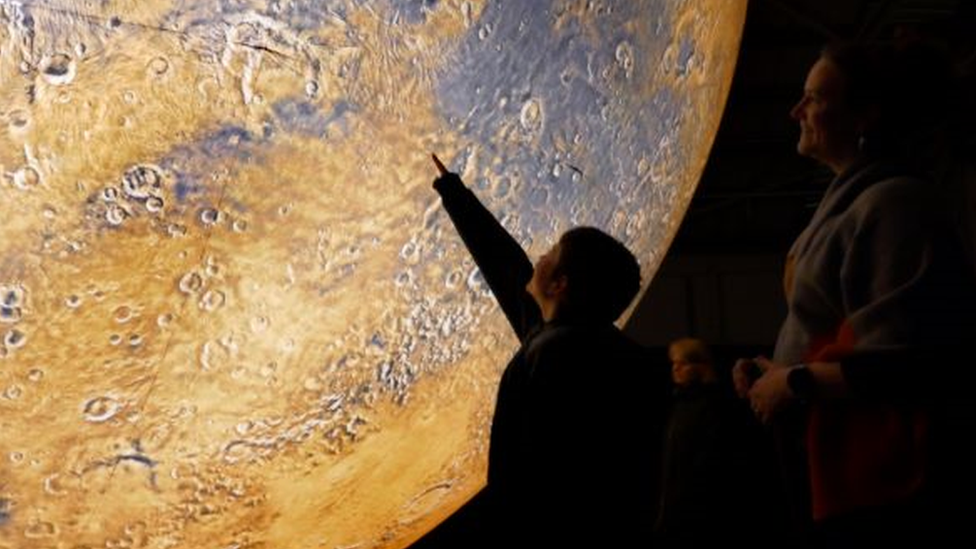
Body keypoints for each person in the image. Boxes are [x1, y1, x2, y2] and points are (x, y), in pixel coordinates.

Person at [733, 40, 976, 545]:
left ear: (865, 116)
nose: (795, 110)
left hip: (877, 493)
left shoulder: (896, 205)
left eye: (815, 98)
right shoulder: (858, 201)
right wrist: (774, 373)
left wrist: (792, 384)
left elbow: (906, 360)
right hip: (834, 471)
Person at [409, 156, 671, 548]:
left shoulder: (560, 355)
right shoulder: (572, 338)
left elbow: (542, 477)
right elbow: (507, 267)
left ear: (561, 283)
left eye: (550, 253)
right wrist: (455, 193)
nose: (540, 257)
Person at [656, 338, 784, 547]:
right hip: (677, 513)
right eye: (674, 363)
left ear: (703, 366)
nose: (676, 368)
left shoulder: (717, 408)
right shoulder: (681, 406)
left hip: (704, 517)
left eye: (683, 363)